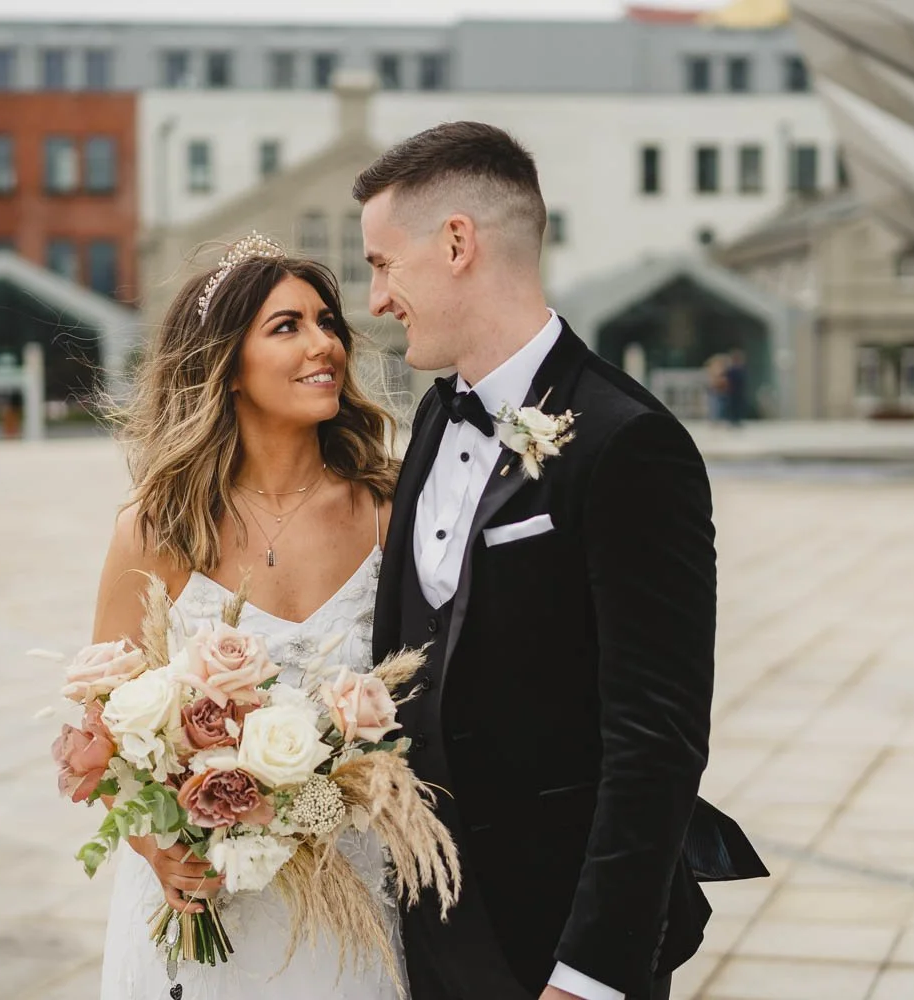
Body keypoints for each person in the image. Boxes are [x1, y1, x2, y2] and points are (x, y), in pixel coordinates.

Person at [357, 122, 765, 1000]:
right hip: (427, 931)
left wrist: (590, 973)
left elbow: (656, 737)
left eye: (384, 263)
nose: (375, 298)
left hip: (556, 946)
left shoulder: (630, 443)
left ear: (457, 242)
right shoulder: (434, 418)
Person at [89, 239, 405, 999]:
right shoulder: (159, 524)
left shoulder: (387, 507)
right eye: (287, 326)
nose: (325, 342)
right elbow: (100, 731)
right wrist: (158, 849)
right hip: (205, 916)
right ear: (227, 365)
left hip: (349, 906)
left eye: (327, 321)